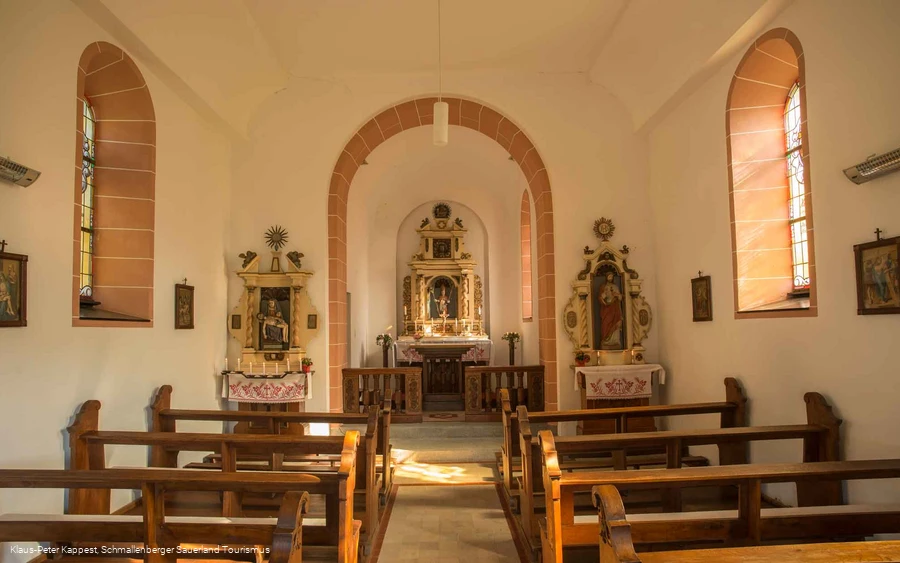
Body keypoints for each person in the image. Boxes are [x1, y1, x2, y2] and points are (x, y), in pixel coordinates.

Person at [597, 272, 623, 348]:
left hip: (615, 308)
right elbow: (600, 298)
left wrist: (618, 295)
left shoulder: (615, 287)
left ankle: (615, 341)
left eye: (611, 277)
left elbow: (620, 298)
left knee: (616, 323)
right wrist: (603, 295)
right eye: (609, 277)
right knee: (605, 324)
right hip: (606, 309)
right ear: (606, 277)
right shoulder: (603, 286)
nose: (610, 278)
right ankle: (606, 341)